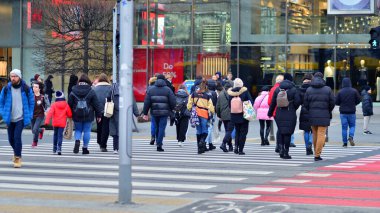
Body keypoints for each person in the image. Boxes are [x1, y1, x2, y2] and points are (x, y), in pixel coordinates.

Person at [0, 69, 34, 168]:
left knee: (17, 137)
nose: (13, 78)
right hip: (10, 118)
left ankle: (18, 158)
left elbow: (32, 103)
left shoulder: (26, 89)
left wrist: (30, 114)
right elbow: (1, 102)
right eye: (11, 76)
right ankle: (16, 154)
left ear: (19, 77)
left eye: (15, 76)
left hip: (21, 118)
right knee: (11, 139)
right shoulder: (6, 89)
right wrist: (3, 113)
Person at [268, 73, 301, 159]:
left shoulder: (278, 89)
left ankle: (281, 149)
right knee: (288, 134)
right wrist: (293, 107)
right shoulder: (294, 89)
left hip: (279, 113)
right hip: (290, 113)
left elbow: (273, 103)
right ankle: (286, 152)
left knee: (281, 132)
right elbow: (298, 102)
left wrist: (270, 113)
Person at [68, 74, 103, 155]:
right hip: (88, 114)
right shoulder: (91, 91)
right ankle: (85, 148)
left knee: (78, 130)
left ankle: (77, 140)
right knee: (87, 131)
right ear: (87, 81)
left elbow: (69, 104)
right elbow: (96, 104)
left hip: (76, 114)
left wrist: (69, 114)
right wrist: (99, 115)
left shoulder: (73, 90)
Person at [304, 72, 335, 161]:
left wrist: (310, 110)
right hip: (324, 114)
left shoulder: (309, 89)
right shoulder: (328, 89)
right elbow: (332, 102)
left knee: (314, 134)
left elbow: (305, 103)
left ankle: (316, 152)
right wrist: (328, 110)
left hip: (312, 115)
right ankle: (317, 154)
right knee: (321, 134)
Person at [143, 74, 176, 152]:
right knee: (161, 128)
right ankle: (159, 144)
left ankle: (156, 139)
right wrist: (172, 109)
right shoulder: (168, 89)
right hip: (164, 112)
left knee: (156, 126)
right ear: (164, 80)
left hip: (154, 112)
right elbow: (173, 101)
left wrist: (145, 113)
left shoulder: (151, 89)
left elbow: (147, 102)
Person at [108, 83, 139, 154]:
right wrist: (136, 113)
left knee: (115, 131)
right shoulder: (128, 88)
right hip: (125, 112)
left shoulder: (113, 87)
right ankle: (123, 148)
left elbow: (108, 98)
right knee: (123, 131)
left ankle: (115, 148)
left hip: (114, 112)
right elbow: (132, 101)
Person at [187, 80, 215, 154]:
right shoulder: (207, 95)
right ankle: (202, 141)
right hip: (204, 114)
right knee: (205, 130)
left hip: (196, 114)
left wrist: (190, 110)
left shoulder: (193, 94)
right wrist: (212, 112)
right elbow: (211, 107)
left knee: (198, 130)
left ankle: (199, 149)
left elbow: (189, 104)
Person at [228, 78, 253, 155]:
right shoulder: (244, 91)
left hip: (234, 115)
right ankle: (240, 149)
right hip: (244, 115)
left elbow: (229, 104)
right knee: (243, 132)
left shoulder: (231, 92)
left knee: (237, 131)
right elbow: (250, 101)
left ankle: (236, 147)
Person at [44, 91, 72, 155]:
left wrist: (46, 121)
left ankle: (54, 148)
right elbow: (69, 114)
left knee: (55, 135)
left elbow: (50, 113)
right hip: (62, 123)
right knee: (60, 135)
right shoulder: (66, 104)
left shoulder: (54, 105)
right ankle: (59, 148)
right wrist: (68, 116)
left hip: (55, 122)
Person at [335, 77, 361, 147]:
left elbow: (336, 102)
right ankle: (351, 136)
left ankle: (345, 143)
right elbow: (358, 100)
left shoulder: (340, 92)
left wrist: (341, 104)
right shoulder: (354, 91)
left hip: (343, 112)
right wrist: (353, 104)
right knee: (352, 126)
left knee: (344, 128)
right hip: (352, 111)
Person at [93, 73, 112, 152]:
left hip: (98, 110)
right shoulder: (110, 88)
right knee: (106, 127)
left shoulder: (95, 88)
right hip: (107, 110)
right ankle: (103, 145)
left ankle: (99, 141)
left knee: (99, 126)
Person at [268, 74, 284, 153]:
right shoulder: (282, 89)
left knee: (279, 128)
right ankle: (279, 146)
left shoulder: (272, 89)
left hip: (274, 112)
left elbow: (269, 102)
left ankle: (278, 145)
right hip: (281, 111)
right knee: (281, 129)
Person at [31, 81, 50, 148]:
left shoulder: (43, 97)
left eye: (36, 87)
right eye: (33, 86)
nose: (34, 88)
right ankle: (41, 130)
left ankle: (35, 141)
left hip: (40, 115)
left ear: (39, 89)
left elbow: (48, 105)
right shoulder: (31, 96)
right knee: (33, 130)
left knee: (35, 129)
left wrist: (47, 111)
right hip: (32, 115)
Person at [298, 73, 314, 155]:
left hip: (304, 110)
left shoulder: (300, 88)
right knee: (313, 130)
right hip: (313, 110)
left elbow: (298, 101)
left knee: (306, 131)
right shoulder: (313, 88)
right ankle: (310, 142)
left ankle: (307, 147)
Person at [216, 80, 234, 152]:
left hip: (223, 115)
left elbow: (217, 106)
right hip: (231, 114)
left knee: (227, 130)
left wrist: (219, 115)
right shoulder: (232, 94)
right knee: (229, 131)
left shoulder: (221, 94)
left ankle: (230, 146)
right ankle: (223, 144)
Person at [205, 79, 218, 150]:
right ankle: (204, 142)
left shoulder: (205, 92)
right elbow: (215, 104)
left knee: (207, 127)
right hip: (211, 112)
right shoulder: (213, 93)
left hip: (204, 111)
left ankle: (210, 143)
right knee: (210, 128)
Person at [148, 76, 158, 145]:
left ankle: (152, 136)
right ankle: (158, 138)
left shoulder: (149, 88)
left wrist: (145, 110)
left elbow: (147, 100)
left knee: (153, 123)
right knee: (160, 124)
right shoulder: (160, 87)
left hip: (153, 108)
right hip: (162, 108)